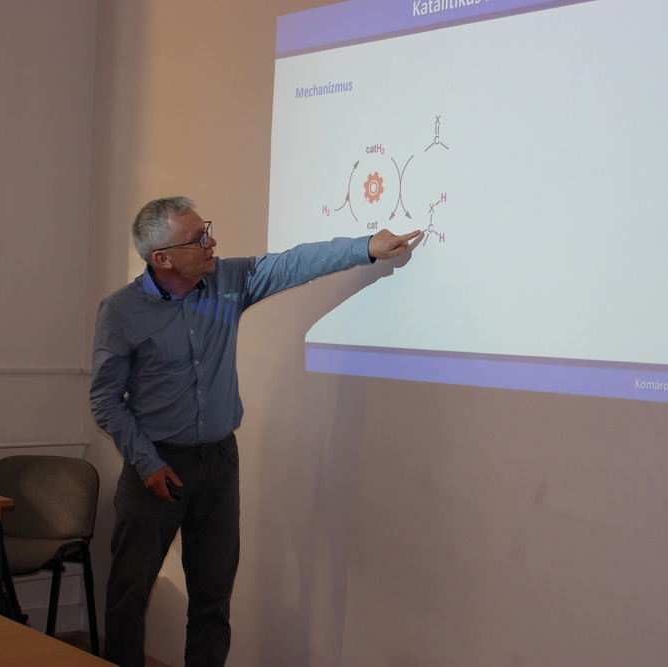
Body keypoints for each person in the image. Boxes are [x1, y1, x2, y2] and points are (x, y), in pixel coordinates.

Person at [90, 196, 420, 667]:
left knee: (213, 596)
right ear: (162, 259)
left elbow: (292, 264)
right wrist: (147, 463)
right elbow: (105, 400)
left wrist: (366, 246)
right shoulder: (122, 312)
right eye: (198, 238)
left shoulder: (229, 281)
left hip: (218, 464)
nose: (212, 242)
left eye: (207, 230)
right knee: (128, 593)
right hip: (155, 467)